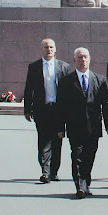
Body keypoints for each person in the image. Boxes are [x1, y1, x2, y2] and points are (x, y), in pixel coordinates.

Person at [57, 47, 108, 198]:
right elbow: (61, 106)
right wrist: (60, 127)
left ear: (90, 59)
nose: (83, 60)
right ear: (74, 60)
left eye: (85, 57)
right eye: (80, 57)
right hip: (74, 125)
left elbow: (106, 105)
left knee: (90, 155)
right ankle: (80, 185)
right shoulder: (66, 81)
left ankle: (86, 182)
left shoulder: (100, 80)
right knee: (77, 155)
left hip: (93, 126)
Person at [23, 38, 70, 183]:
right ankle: (45, 171)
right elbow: (28, 89)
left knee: (57, 141)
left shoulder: (64, 67)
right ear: (41, 49)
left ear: (55, 49)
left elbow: (67, 90)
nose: (49, 50)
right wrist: (27, 109)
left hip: (58, 110)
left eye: (51, 47)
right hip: (41, 109)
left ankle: (54, 171)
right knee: (43, 141)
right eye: (46, 47)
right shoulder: (34, 67)